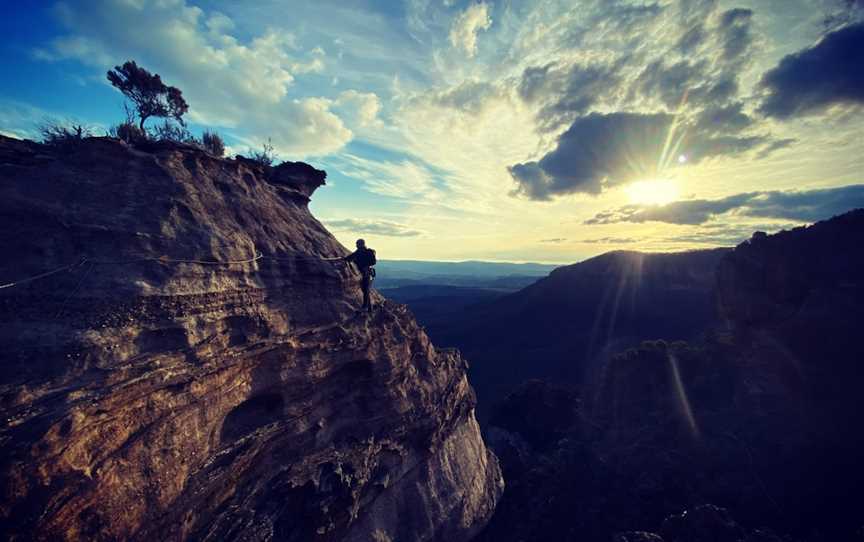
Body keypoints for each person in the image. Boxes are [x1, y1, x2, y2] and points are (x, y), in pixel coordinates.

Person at [343, 238, 377, 312]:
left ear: (361, 244)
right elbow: (350, 257)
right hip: (364, 272)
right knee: (365, 290)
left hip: (366, 273)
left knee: (365, 290)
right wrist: (345, 259)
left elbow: (372, 262)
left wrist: (364, 264)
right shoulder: (359, 252)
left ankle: (365, 307)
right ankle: (369, 308)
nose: (356, 245)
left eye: (357, 244)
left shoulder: (367, 252)